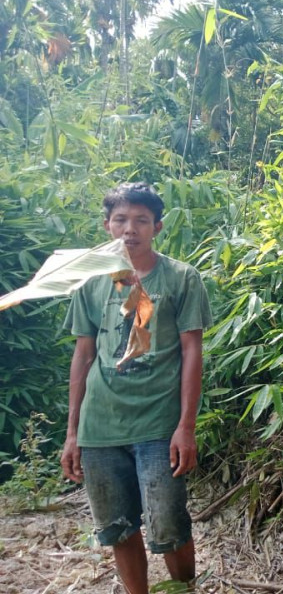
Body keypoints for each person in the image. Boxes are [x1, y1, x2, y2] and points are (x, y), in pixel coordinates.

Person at [60, 182, 213, 594]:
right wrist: (73, 433)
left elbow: (191, 353)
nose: (131, 229)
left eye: (141, 220)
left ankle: (184, 589)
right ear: (107, 225)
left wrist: (186, 426)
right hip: (101, 428)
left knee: (169, 524)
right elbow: (83, 356)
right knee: (117, 528)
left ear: (157, 227)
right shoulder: (91, 282)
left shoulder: (182, 278)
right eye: (122, 219)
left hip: (158, 425)